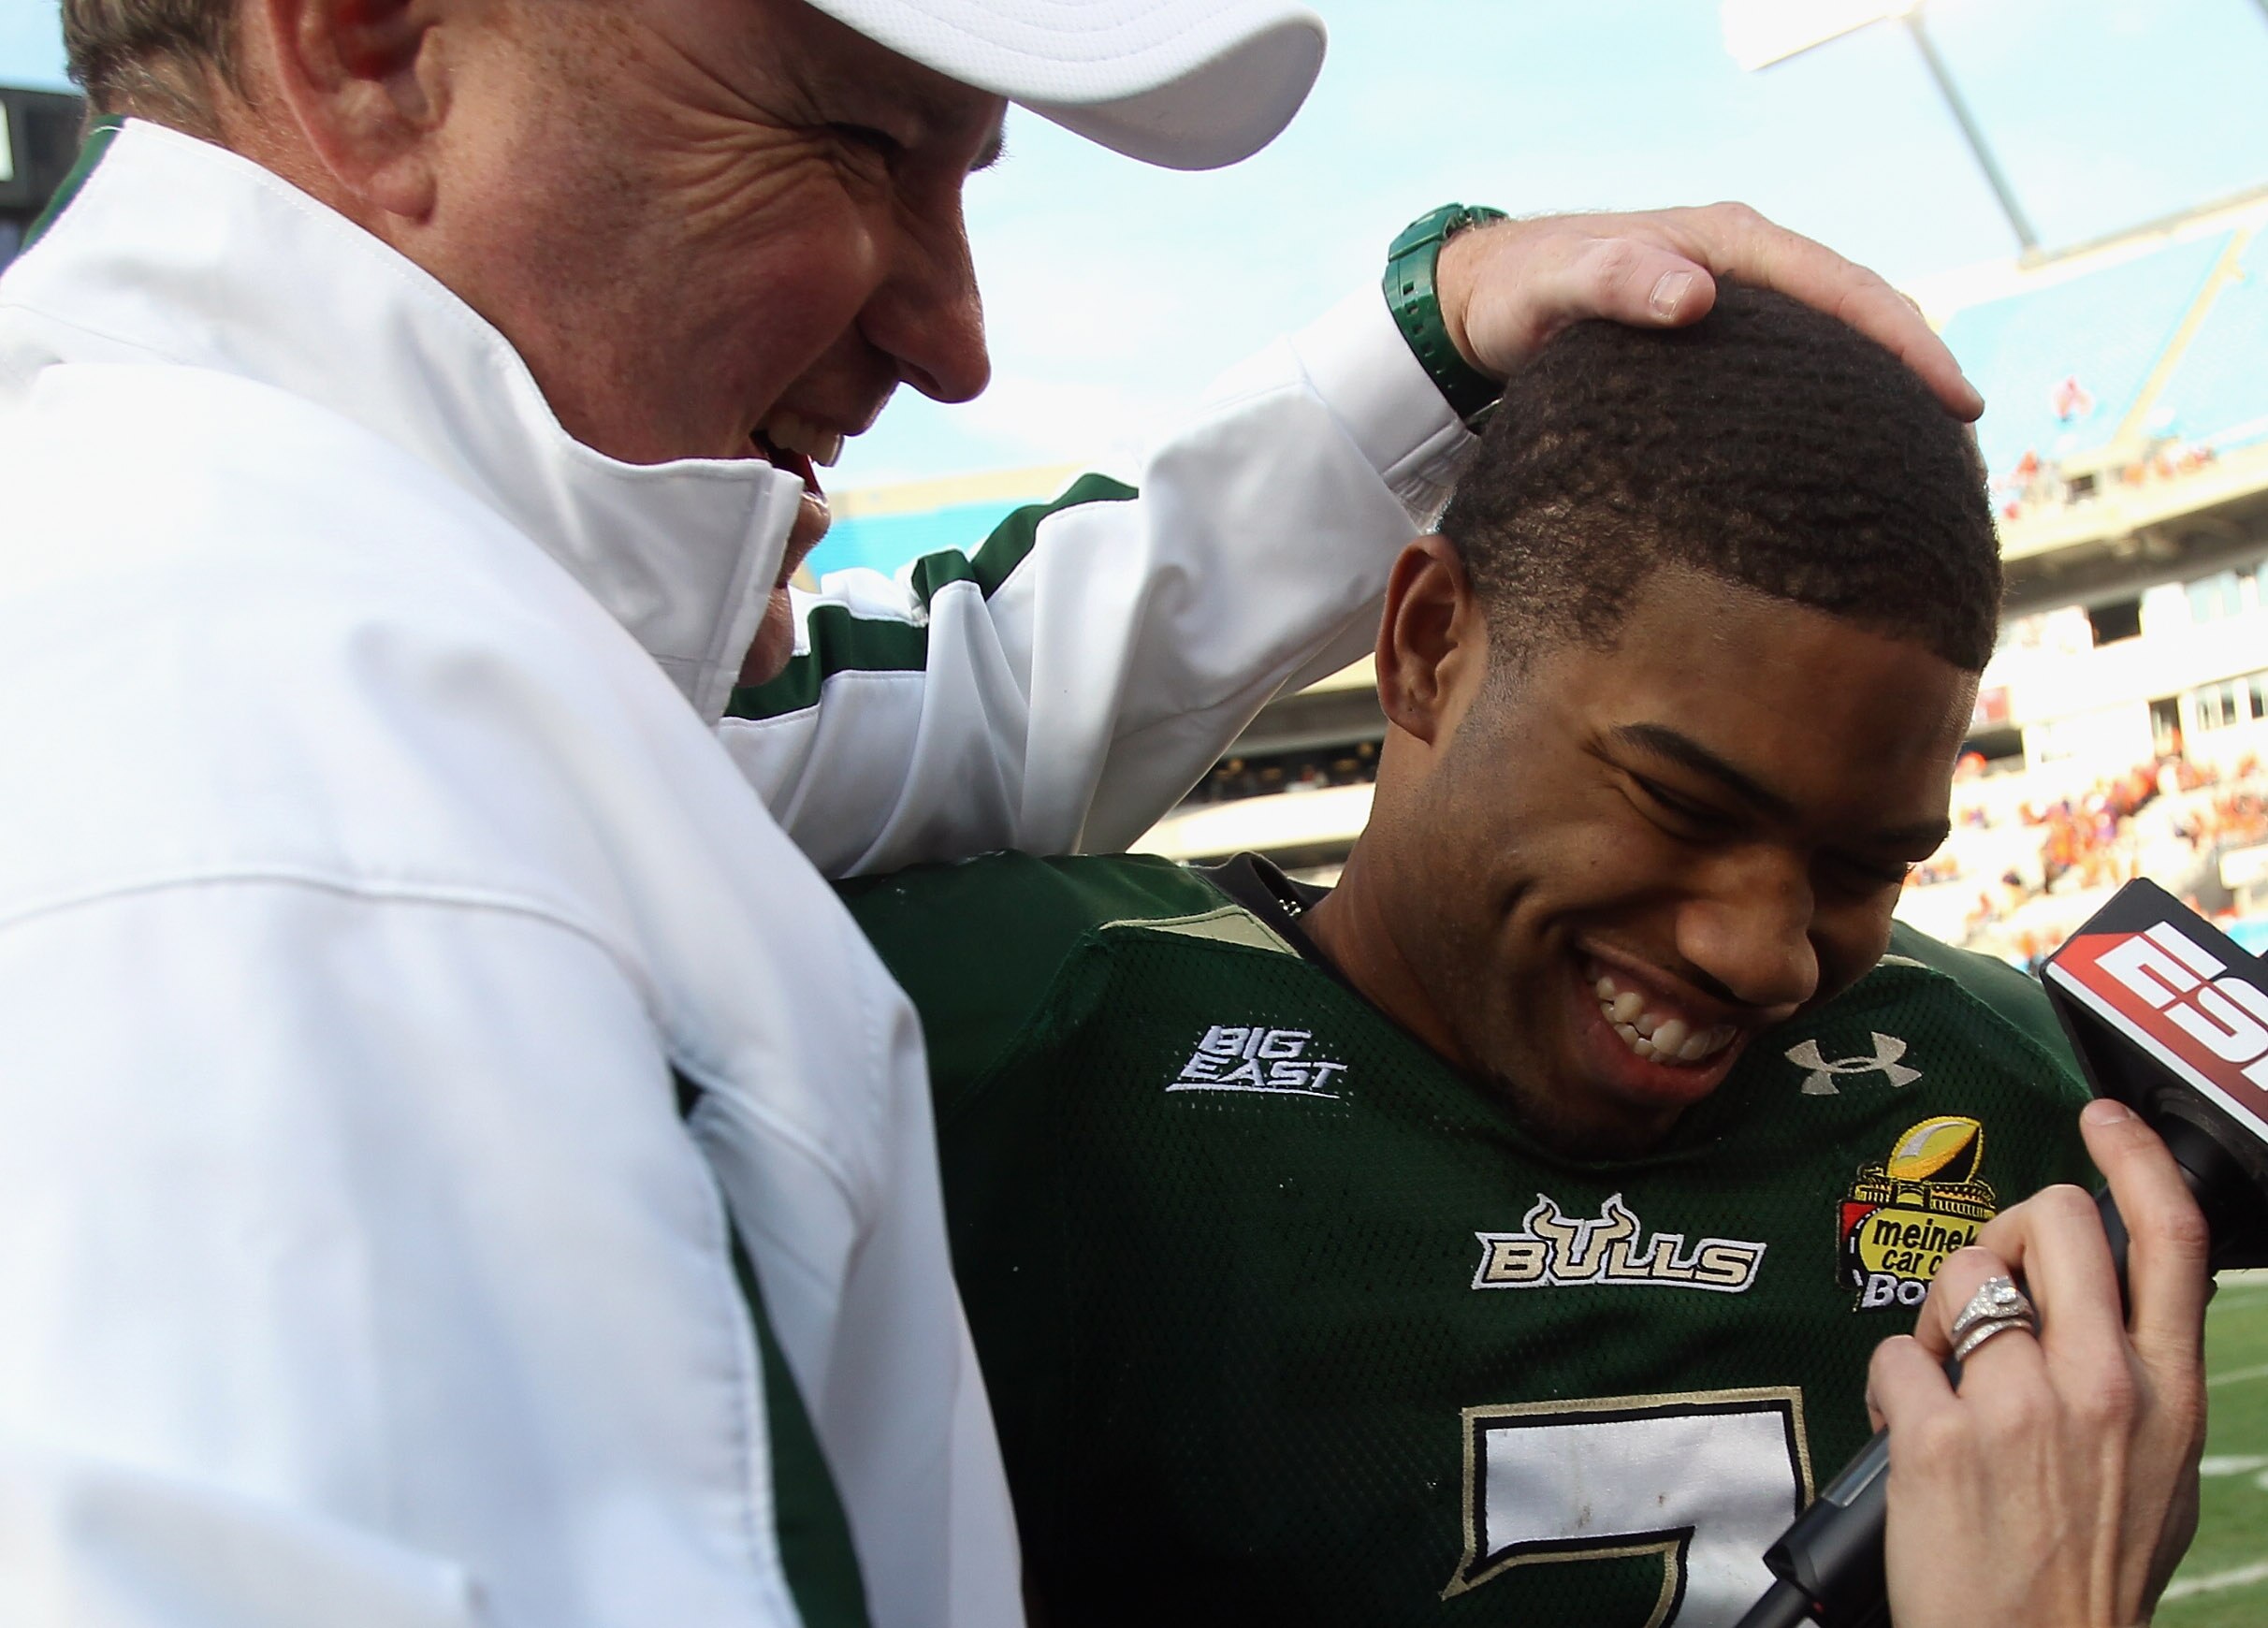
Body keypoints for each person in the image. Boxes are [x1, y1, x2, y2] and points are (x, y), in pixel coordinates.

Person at [0, 2, 1994, 1624]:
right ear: (366, 47)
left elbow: (967, 705)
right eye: (860, 146)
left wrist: (1430, 344)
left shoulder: (367, 628)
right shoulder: (299, 801)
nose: (956, 339)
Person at [841, 288, 2208, 1625]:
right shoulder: (1027, 1032)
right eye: (1679, 803)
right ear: (1429, 643)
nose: (1763, 953)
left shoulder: (2008, 1071)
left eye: (1867, 863)